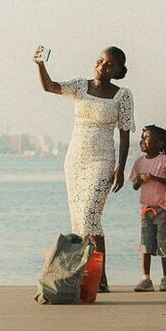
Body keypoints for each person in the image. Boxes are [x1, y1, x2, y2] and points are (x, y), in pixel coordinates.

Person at [34, 45, 134, 293]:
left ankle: (101, 276)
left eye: (109, 64)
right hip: (75, 160)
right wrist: (40, 65)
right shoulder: (80, 86)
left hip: (102, 160)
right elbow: (50, 87)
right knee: (80, 221)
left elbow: (124, 134)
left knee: (90, 216)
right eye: (100, 60)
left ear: (119, 70)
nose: (102, 66)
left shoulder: (123, 95)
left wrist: (121, 168)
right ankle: (87, 276)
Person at [130, 125, 166, 291]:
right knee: (145, 244)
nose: (143, 141)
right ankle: (146, 278)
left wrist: (155, 178)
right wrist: (141, 180)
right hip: (146, 208)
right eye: (142, 138)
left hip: (163, 207)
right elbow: (135, 185)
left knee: (165, 243)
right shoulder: (139, 162)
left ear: (159, 144)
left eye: (147, 138)